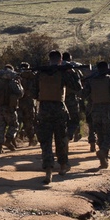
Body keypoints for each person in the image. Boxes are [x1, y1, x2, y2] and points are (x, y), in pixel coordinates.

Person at [34, 51, 71, 185]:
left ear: (49, 59)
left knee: (46, 142)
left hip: (44, 109)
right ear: (60, 60)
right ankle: (62, 166)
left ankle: (48, 171)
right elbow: (77, 87)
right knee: (60, 139)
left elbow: (33, 92)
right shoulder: (62, 73)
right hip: (59, 109)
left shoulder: (40, 73)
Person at [83, 61, 110, 169]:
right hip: (107, 109)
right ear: (107, 68)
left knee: (100, 135)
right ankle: (103, 151)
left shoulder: (90, 80)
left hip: (94, 110)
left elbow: (84, 94)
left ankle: (104, 160)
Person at [0, 65, 23, 153]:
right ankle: (8, 141)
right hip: (9, 107)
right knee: (14, 125)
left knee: (0, 126)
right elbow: (20, 93)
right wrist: (19, 83)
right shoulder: (12, 82)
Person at [17, 62, 38, 146]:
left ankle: (14, 138)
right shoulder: (32, 77)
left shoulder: (18, 76)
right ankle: (31, 139)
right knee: (29, 121)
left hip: (19, 102)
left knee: (18, 120)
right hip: (29, 101)